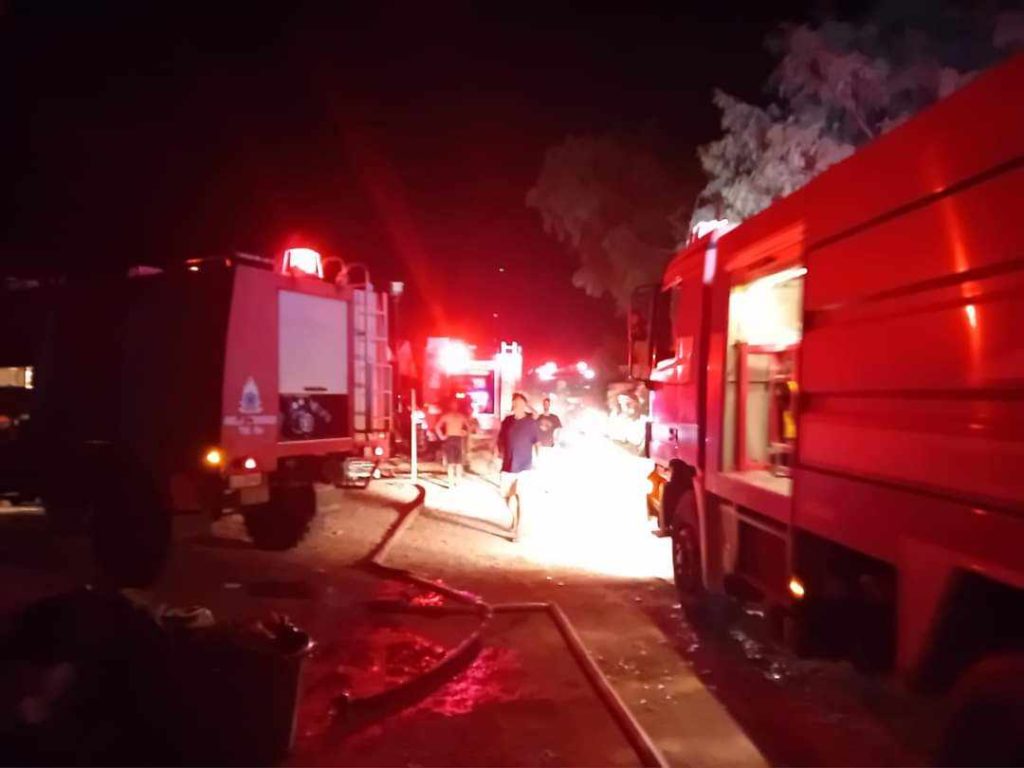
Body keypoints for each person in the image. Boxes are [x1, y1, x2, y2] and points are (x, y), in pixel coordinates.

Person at [496, 392, 539, 541]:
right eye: (515, 403)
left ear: (525, 405)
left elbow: (536, 441)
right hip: (508, 465)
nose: (516, 405)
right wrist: (497, 451)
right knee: (507, 497)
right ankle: (514, 519)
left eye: (520, 403)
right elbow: (500, 439)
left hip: (525, 465)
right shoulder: (507, 421)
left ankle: (519, 531)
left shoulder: (530, 422)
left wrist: (538, 460)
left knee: (521, 497)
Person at [436, 398, 472, 488]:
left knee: (458, 463)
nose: (454, 406)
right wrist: (442, 436)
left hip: (458, 439)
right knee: (451, 463)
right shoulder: (447, 416)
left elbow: (469, 427)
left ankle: (457, 482)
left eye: (455, 404)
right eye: (453, 404)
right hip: (450, 438)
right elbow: (437, 427)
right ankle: (451, 483)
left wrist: (465, 433)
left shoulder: (461, 416)